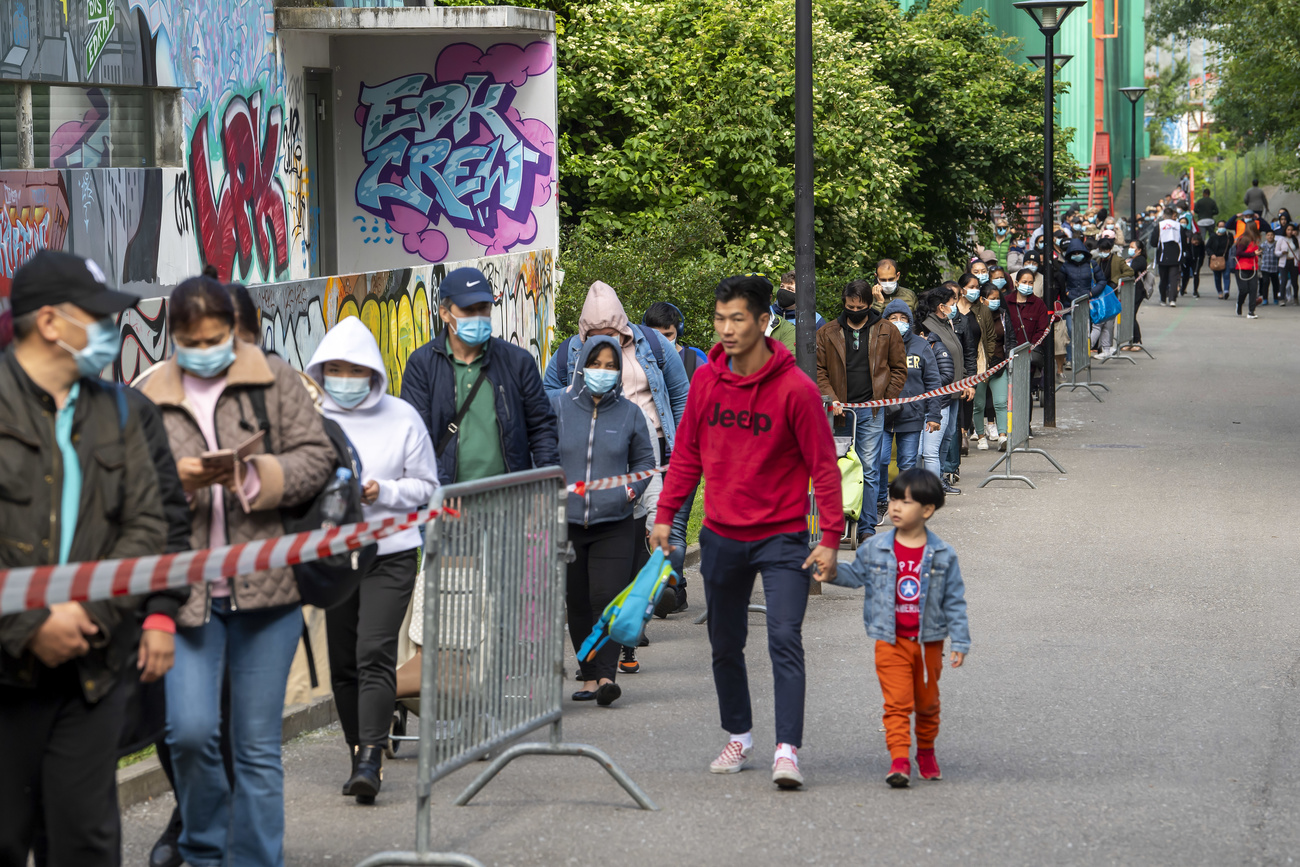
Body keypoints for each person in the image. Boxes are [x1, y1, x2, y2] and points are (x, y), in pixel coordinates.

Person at [137, 275, 335, 867]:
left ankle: (253, 859)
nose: (206, 348)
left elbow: (318, 456)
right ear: (173, 336)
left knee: (255, 745)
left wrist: (253, 477)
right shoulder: (149, 393)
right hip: (187, 596)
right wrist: (181, 481)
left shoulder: (273, 379)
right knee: (190, 733)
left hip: (267, 593)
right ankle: (203, 849)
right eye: (192, 339)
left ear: (233, 328)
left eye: (216, 336)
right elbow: (127, 486)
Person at [0, 252, 170, 867]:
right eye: (94, 316)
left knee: (85, 846)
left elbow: (148, 526)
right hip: (7, 673)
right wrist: (31, 624)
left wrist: (85, 613)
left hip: (93, 670)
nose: (106, 329)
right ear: (49, 322)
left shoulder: (119, 411)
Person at [649, 274, 842, 790]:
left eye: (738, 319)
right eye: (719, 318)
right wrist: (666, 515)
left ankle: (787, 750)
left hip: (782, 538)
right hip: (721, 536)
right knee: (724, 641)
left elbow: (824, 467)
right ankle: (739, 733)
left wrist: (829, 537)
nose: (727, 329)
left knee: (783, 636)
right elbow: (687, 454)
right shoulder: (708, 382)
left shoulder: (796, 389)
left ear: (762, 322)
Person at [304, 318, 439, 804]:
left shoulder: (402, 417)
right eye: (333, 369)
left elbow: (427, 486)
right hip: (335, 557)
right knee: (342, 661)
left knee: (373, 650)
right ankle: (356, 748)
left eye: (353, 369)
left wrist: (386, 490)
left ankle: (371, 758)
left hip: (392, 551)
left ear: (372, 371)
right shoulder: (311, 417)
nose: (344, 377)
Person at [814, 467, 969, 789]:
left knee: (927, 704)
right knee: (897, 703)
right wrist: (830, 572)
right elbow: (856, 576)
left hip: (929, 643)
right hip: (890, 640)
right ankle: (899, 759)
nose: (896, 507)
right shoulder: (875, 548)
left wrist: (960, 641)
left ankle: (925, 751)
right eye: (894, 498)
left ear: (927, 510)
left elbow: (954, 600)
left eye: (906, 502)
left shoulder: (943, 554)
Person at [553, 336, 655, 707]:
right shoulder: (559, 406)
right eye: (597, 363)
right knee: (577, 602)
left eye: (611, 365)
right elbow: (543, 455)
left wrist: (627, 493)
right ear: (582, 365)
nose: (603, 371)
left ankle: (607, 677)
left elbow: (644, 464)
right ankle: (590, 674)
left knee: (606, 600)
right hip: (566, 522)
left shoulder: (630, 414)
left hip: (614, 522)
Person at [545, 281, 689, 469]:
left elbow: (681, 396)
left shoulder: (654, 344)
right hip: (597, 446)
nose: (603, 339)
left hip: (652, 441)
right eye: (594, 335)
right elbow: (545, 395)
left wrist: (683, 450)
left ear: (622, 327)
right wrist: (572, 391)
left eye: (609, 333)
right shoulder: (570, 352)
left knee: (653, 495)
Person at [815, 279, 908, 541]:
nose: (855, 310)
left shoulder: (887, 330)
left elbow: (899, 369)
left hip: (872, 412)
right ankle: (831, 522)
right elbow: (820, 371)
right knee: (835, 465)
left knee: (868, 467)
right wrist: (833, 400)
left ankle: (866, 527)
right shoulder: (828, 332)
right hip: (838, 411)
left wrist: (885, 399)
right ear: (844, 303)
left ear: (869, 304)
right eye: (850, 306)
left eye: (860, 306)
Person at [640, 301, 703, 611]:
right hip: (646, 457)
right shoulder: (636, 361)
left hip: (685, 457)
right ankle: (665, 588)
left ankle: (671, 589)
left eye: (669, 335)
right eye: (655, 335)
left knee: (675, 525)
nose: (662, 343)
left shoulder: (695, 361)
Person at [872, 300, 941, 520]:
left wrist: (934, 414)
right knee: (880, 460)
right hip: (880, 415)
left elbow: (933, 382)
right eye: (893, 318)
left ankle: (904, 502)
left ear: (910, 322)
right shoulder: (876, 343)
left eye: (903, 319)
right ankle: (881, 501)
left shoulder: (921, 347)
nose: (898, 323)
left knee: (907, 462)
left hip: (911, 416)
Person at [915, 287, 967, 495]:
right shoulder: (928, 328)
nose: (955, 307)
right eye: (953, 302)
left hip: (952, 391)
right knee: (930, 446)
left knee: (948, 434)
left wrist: (963, 381)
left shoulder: (947, 324)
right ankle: (931, 483)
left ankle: (940, 477)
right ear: (941, 306)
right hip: (939, 394)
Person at [970, 282, 1008, 451]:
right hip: (980, 366)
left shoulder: (1003, 316)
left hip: (999, 365)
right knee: (979, 404)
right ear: (982, 299)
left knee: (1001, 402)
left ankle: (1002, 436)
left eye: (998, 299)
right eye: (992, 299)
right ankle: (980, 436)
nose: (996, 302)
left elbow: (1010, 337)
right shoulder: (974, 316)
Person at [952, 274, 982, 458]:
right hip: (951, 366)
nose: (975, 290)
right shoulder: (949, 315)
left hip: (974, 360)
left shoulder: (979, 311)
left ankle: (963, 433)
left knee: (969, 399)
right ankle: (959, 435)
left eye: (977, 286)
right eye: (971, 286)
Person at [1007, 268, 1050, 375]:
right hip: (1008, 355)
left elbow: (1042, 330)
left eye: (1030, 283)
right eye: (1024, 282)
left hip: (1030, 356)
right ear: (1016, 283)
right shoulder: (1006, 302)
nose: (1027, 285)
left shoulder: (1039, 304)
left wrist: (1031, 347)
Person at [1123, 240, 1150, 351]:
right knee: (1128, 316)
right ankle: (1130, 341)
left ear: (1139, 250)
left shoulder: (1140, 260)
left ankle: (1137, 341)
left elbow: (1130, 270)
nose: (1130, 248)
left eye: (1132, 247)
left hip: (1137, 291)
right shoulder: (1131, 259)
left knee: (1131, 315)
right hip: (1129, 290)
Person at [1234, 224, 1261, 319]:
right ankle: (1239, 303)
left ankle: (1251, 311)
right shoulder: (1244, 239)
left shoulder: (1256, 241)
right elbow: (1239, 252)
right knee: (1243, 289)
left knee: (1253, 289)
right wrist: (1253, 253)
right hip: (1242, 268)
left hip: (1253, 267)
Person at [1206, 220, 1233, 300]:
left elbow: (1232, 246)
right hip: (1215, 259)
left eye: (1223, 226)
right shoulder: (1213, 236)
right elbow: (1207, 247)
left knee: (1226, 274)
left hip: (1226, 258)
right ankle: (1220, 292)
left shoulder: (1229, 235)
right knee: (1217, 276)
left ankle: (1226, 291)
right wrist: (1211, 254)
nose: (1222, 228)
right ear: (1217, 227)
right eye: (1220, 226)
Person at [1259, 229, 1282, 307]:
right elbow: (1259, 254)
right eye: (1268, 235)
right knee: (1265, 282)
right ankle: (1265, 299)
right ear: (1266, 236)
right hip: (1265, 267)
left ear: (1274, 236)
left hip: (1274, 267)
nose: (1270, 237)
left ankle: (1276, 298)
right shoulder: (1263, 245)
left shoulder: (1277, 244)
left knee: (1275, 283)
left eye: (1271, 235)